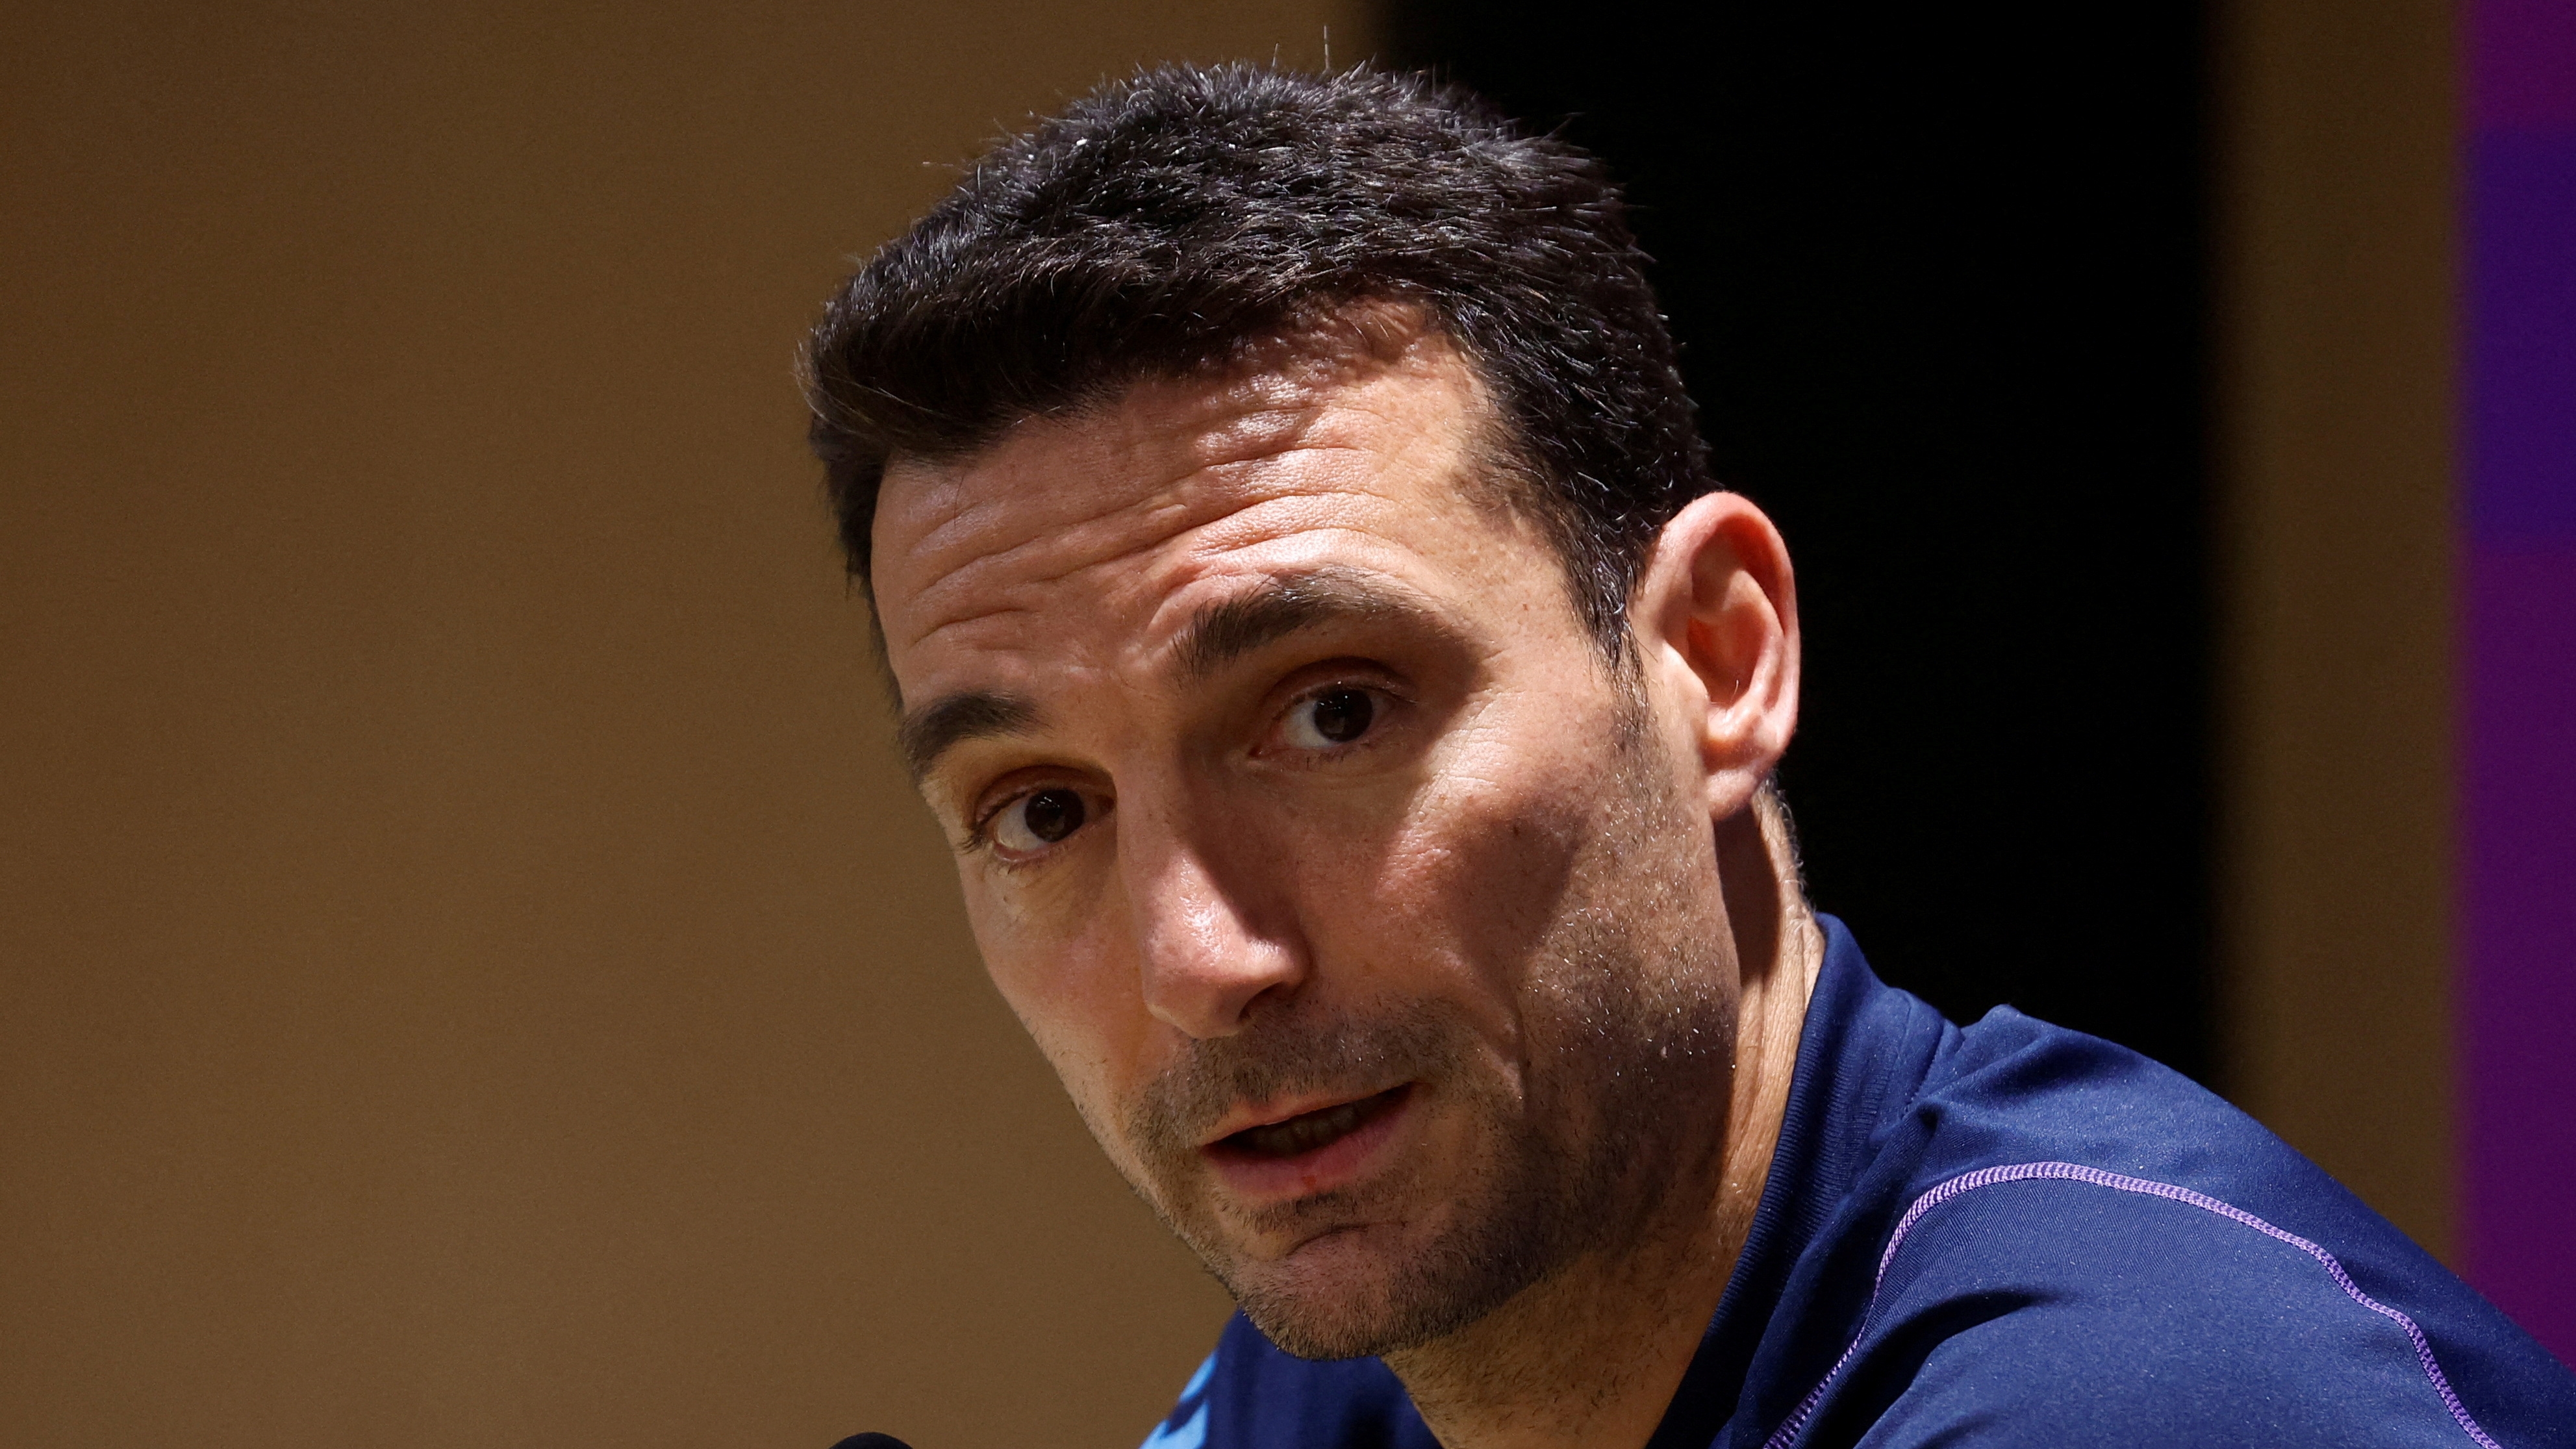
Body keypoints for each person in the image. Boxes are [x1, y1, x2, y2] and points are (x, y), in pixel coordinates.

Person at [800, 64, 2576, 1449]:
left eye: (1335, 711)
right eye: (1041, 810)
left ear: (1715, 655)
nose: (1203, 964)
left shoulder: (2156, 1396)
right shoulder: (1367, 1360)